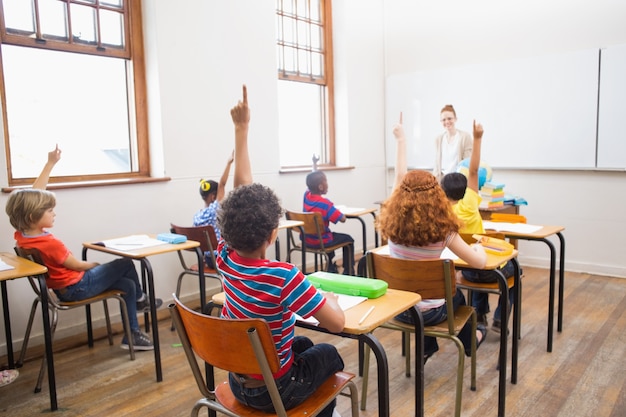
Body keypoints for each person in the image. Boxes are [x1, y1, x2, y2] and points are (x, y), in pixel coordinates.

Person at [216, 85, 346, 417]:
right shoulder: (284, 277)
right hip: (275, 390)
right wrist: (326, 297)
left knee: (302, 346)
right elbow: (336, 324)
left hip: (237, 381)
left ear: (228, 229)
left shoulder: (225, 258)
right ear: (274, 233)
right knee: (328, 353)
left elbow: (242, 191)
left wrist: (240, 130)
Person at [5, 145, 163, 351]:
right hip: (77, 286)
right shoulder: (50, 243)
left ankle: (131, 334)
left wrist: (50, 164)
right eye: (50, 210)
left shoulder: (22, 236)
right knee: (124, 263)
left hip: (64, 288)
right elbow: (77, 265)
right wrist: (95, 265)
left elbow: (31, 199)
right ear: (32, 216)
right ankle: (142, 300)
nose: (54, 213)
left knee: (127, 285)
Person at [377, 112, 488, 363]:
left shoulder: (391, 224)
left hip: (399, 309)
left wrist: (401, 140)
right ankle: (472, 342)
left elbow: (398, 178)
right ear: (436, 195)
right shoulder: (443, 230)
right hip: (432, 313)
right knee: (456, 295)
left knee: (422, 288)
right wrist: (479, 249)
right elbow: (478, 263)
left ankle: (428, 346)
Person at [440, 121, 516, 333]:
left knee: (478, 263)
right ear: (467, 190)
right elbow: (474, 169)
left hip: (463, 271)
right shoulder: (471, 201)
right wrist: (478, 138)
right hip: (484, 270)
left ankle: (480, 314)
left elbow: (470, 170)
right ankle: (500, 319)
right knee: (513, 270)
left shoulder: (441, 213)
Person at [302, 171, 355, 275]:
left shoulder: (306, 196)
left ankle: (331, 266)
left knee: (330, 235)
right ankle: (349, 271)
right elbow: (343, 219)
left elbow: (312, 181)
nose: (328, 184)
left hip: (307, 240)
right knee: (348, 239)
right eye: (326, 181)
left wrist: (314, 163)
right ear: (321, 187)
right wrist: (338, 211)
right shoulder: (325, 204)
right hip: (321, 242)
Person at [193, 151, 234, 267]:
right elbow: (222, 185)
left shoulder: (197, 216)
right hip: (219, 258)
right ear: (212, 197)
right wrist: (229, 163)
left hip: (207, 258)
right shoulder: (214, 210)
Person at [433, 104, 473, 181]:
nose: (447, 122)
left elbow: (467, 163)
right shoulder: (438, 139)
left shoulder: (465, 137)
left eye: (449, 118)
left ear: (455, 119)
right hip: (442, 180)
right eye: (444, 120)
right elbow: (437, 164)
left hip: (458, 181)